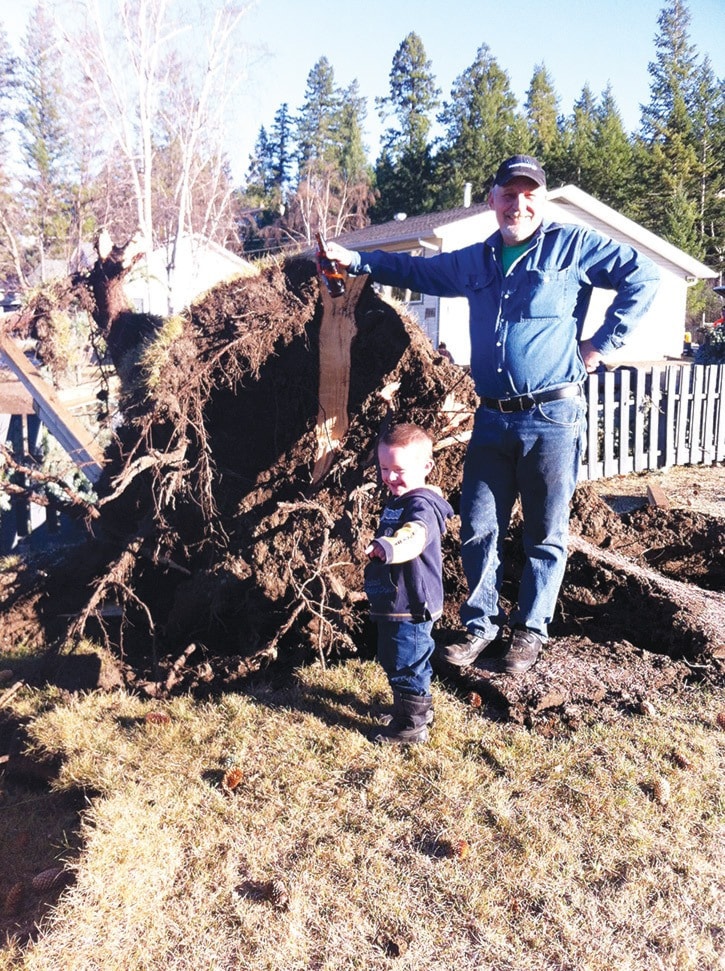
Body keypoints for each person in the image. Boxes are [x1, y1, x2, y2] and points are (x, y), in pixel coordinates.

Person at [326, 154, 660, 675]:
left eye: (529, 195)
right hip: (491, 418)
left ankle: (530, 631)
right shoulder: (478, 259)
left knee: (545, 532)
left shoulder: (571, 247)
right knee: (479, 525)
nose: (518, 204)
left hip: (553, 416)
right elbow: (418, 269)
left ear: (542, 200)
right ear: (493, 199)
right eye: (509, 194)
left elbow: (645, 275)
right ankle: (480, 626)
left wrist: (600, 345)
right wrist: (360, 259)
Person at [364, 423, 453, 744]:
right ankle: (415, 710)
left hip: (411, 603)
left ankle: (411, 726)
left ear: (426, 467)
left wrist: (388, 547)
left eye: (398, 469)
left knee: (404, 662)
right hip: (396, 602)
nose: (389, 477)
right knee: (405, 659)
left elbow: (415, 535)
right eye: (384, 468)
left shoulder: (420, 505)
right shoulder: (400, 500)